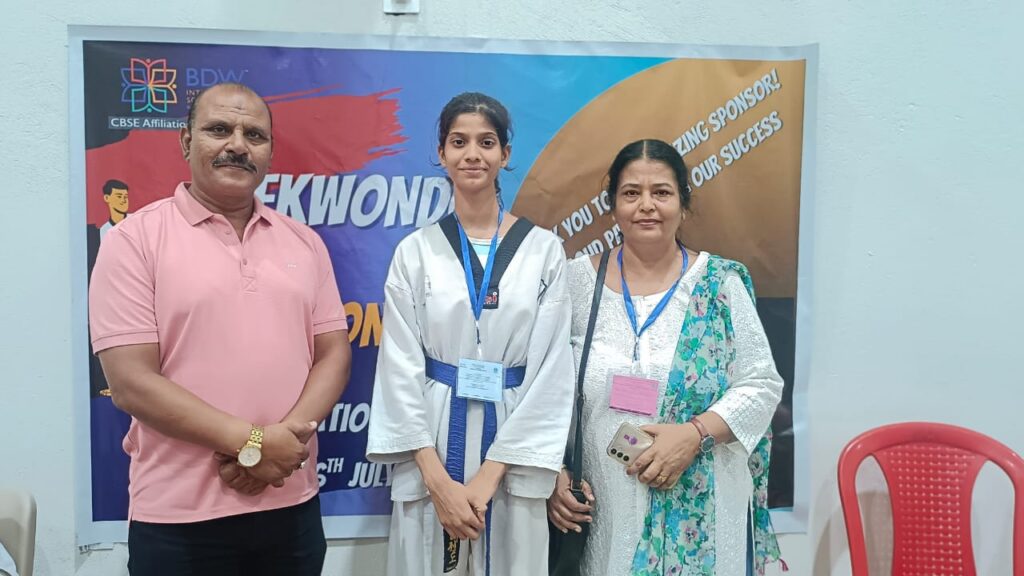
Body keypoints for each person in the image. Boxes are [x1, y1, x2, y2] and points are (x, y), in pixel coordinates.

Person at [89, 82, 351, 575]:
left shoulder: (304, 242)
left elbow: (333, 356)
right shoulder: (133, 241)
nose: (237, 145)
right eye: (219, 129)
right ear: (186, 142)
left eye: (254, 135)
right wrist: (254, 445)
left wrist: (279, 450)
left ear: (269, 152)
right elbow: (130, 383)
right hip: (178, 519)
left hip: (290, 504)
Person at [546, 139, 784, 575]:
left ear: (683, 203)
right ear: (612, 206)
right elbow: (544, 386)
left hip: (703, 505)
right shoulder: (577, 281)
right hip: (606, 506)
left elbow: (761, 384)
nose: (646, 206)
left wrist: (694, 434)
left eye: (661, 192)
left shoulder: (719, 284)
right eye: (631, 193)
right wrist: (554, 474)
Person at [366, 92, 575, 576]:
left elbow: (551, 372)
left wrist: (488, 475)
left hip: (513, 439)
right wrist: (437, 480)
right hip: (435, 437)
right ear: (441, 153)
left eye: (486, 142)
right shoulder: (415, 252)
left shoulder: (544, 251)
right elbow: (398, 369)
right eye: (458, 142)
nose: (472, 154)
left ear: (505, 153)